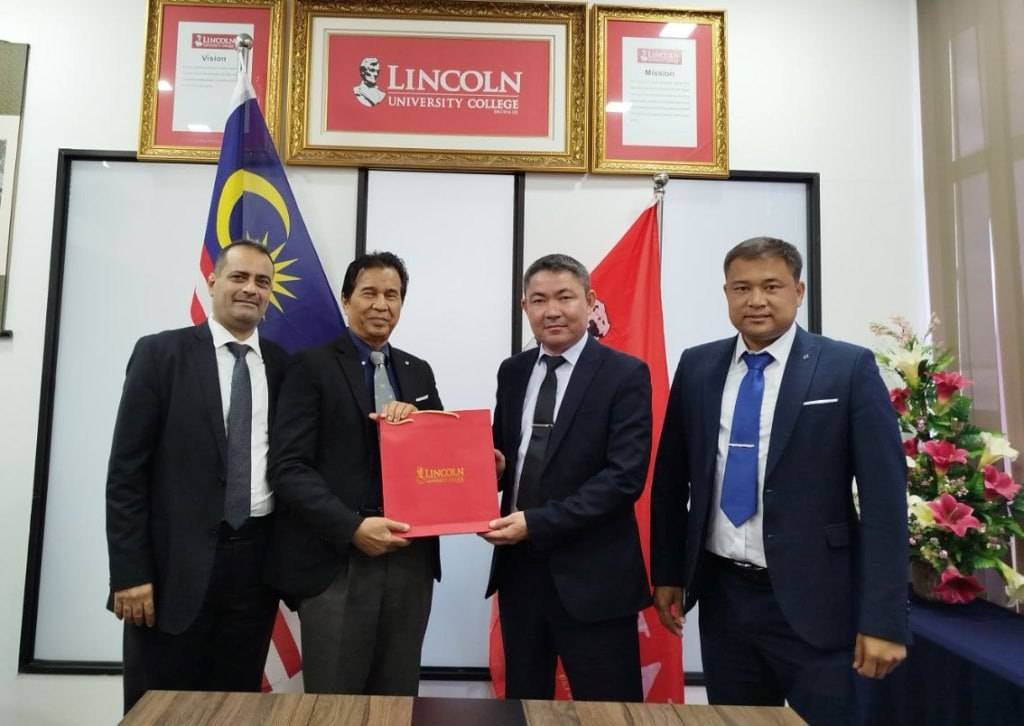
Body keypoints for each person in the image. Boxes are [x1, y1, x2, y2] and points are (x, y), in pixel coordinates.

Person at [650, 236, 908, 724]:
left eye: (771, 286)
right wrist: (667, 573)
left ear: (798, 291)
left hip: (818, 599)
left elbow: (885, 502)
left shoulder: (847, 367)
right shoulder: (698, 366)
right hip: (725, 597)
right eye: (741, 288)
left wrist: (885, 619)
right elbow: (670, 481)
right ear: (726, 293)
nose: (756, 300)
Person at [105, 240, 288, 712]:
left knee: (235, 707)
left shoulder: (284, 366)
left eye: (262, 282)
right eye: (239, 277)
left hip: (255, 567)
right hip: (171, 571)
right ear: (212, 281)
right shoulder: (160, 354)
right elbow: (126, 474)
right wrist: (130, 573)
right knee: (160, 709)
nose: (250, 289)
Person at [265, 251, 442, 695]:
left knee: (397, 700)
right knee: (335, 706)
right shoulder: (311, 367)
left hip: (410, 562)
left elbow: (440, 458)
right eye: (369, 293)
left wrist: (480, 463)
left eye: (392, 295)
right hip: (338, 563)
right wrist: (352, 528)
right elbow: (288, 468)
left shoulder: (418, 371)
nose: (381, 304)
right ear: (346, 300)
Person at [484, 253, 653, 702]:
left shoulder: (625, 374)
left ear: (590, 301)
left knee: (609, 710)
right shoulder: (513, 372)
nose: (552, 311)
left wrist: (536, 522)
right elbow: (508, 455)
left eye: (565, 297)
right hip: (520, 573)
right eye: (539, 300)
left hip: (595, 576)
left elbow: (624, 478)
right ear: (525, 307)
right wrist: (492, 469)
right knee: (524, 706)